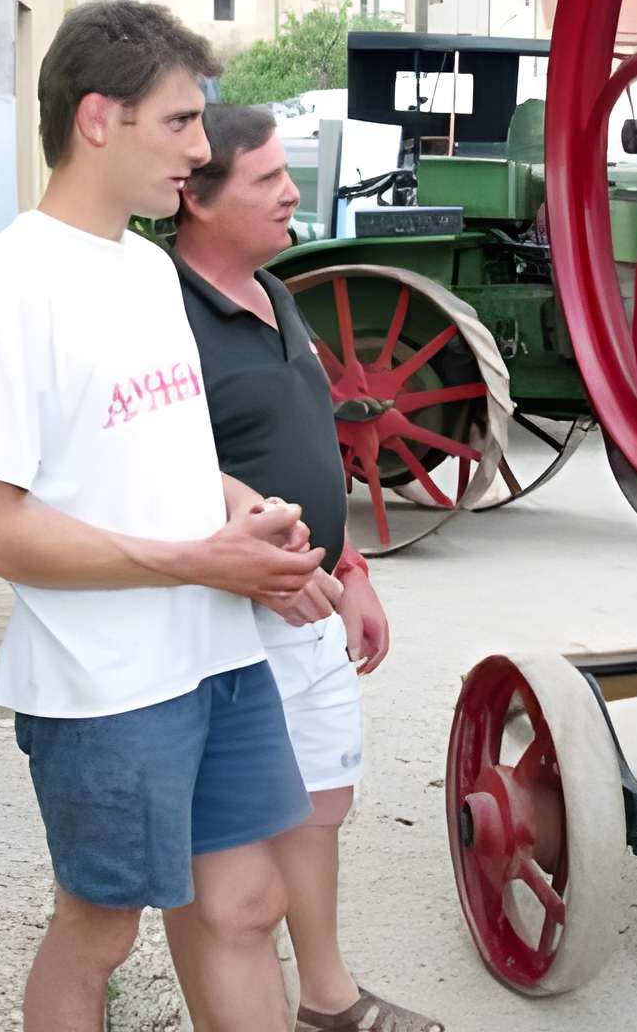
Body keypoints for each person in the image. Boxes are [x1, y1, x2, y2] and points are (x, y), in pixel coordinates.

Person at [0, 0, 335, 1032]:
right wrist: (199, 561)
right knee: (99, 933)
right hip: (106, 685)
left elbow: (171, 451)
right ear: (96, 119)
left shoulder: (152, 269)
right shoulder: (9, 288)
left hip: (217, 658)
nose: (201, 150)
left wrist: (252, 518)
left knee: (248, 903)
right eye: (178, 122)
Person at [173, 102, 444, 1032]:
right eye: (268, 178)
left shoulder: (275, 293)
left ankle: (327, 996)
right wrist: (268, 561)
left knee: (320, 805)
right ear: (199, 198)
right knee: (232, 865)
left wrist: (353, 566)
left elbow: (313, 440)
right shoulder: (167, 313)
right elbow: (147, 471)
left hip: (319, 599)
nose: (293, 193)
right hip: (234, 617)